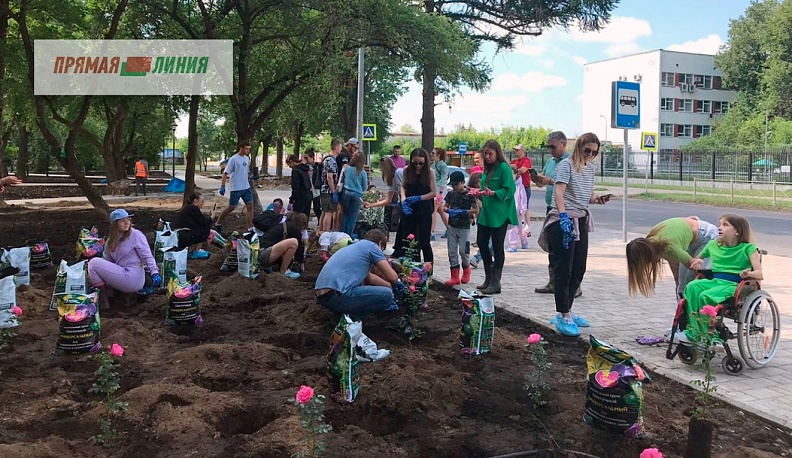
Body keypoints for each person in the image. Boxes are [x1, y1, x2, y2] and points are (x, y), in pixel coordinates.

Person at [537, 133, 611, 336]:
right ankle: (563, 314)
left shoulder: (590, 169)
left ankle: (567, 309)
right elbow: (559, 192)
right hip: (563, 220)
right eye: (587, 150)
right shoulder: (566, 165)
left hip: (580, 219)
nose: (590, 155)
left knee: (579, 267)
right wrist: (562, 217)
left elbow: (588, 195)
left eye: (594, 152)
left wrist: (598, 199)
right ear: (579, 146)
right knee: (564, 269)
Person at [673, 214, 762, 343]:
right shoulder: (713, 245)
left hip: (734, 285)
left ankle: (712, 335)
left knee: (706, 296)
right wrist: (697, 262)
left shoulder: (748, 249)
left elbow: (760, 274)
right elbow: (698, 258)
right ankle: (694, 331)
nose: (719, 227)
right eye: (720, 224)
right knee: (692, 287)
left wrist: (749, 274)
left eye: (725, 225)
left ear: (737, 231)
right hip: (715, 281)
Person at [315, 229, 401, 322]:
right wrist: (399, 287)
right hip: (337, 295)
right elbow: (393, 277)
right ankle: (351, 317)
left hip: (323, 296)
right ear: (380, 243)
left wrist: (390, 287)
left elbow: (370, 278)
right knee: (386, 295)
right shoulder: (372, 247)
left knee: (384, 290)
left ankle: (342, 314)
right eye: (382, 251)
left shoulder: (356, 247)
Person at [626, 216, 719, 299]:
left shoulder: (669, 247)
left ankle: (703, 310)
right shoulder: (651, 243)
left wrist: (702, 274)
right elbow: (674, 262)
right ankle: (683, 313)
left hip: (706, 235)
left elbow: (694, 266)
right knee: (682, 283)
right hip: (691, 238)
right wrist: (677, 281)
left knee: (691, 280)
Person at [88, 209, 161, 309]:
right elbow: (110, 265)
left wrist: (154, 272)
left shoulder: (135, 235)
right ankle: (110, 298)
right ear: (115, 224)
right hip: (122, 274)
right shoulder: (110, 241)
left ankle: (103, 301)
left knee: (93, 263)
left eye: (128, 219)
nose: (127, 223)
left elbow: (147, 256)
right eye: (122, 221)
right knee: (96, 267)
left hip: (133, 276)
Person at [531, 131, 572, 295]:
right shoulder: (550, 162)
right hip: (551, 209)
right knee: (552, 247)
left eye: (553, 146)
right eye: (548, 146)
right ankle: (553, 282)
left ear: (563, 144)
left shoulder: (571, 162)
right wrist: (538, 180)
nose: (550, 150)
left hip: (565, 211)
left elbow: (571, 186)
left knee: (566, 250)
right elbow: (545, 185)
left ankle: (571, 285)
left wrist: (550, 181)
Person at [475, 140, 518, 295]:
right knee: (481, 242)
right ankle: (488, 277)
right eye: (485, 153)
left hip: (500, 213)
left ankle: (496, 282)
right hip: (486, 213)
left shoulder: (504, 168)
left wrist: (494, 193)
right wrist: (477, 192)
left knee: (497, 245)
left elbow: (509, 190)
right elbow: (484, 188)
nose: (487, 156)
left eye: (490, 154)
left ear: (497, 153)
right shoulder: (487, 169)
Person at [393, 148, 436, 263]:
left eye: (421, 163)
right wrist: (403, 200)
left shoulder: (429, 172)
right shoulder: (407, 170)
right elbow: (403, 187)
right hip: (410, 209)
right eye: (415, 163)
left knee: (424, 241)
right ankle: (414, 267)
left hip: (424, 209)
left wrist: (419, 198)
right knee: (411, 240)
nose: (418, 166)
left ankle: (428, 270)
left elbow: (433, 192)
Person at [443, 171, 477, 286]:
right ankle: (454, 276)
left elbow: (476, 210)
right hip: (452, 226)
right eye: (452, 185)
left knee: (463, 251)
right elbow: (445, 207)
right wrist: (449, 210)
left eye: (456, 184)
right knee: (452, 251)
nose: (454, 187)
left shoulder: (469, 195)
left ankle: (466, 268)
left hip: (464, 227)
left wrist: (464, 212)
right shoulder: (451, 194)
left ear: (462, 182)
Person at [216, 142, 254, 233]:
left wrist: (251, 177)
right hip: (236, 187)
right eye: (246, 149)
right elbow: (225, 173)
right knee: (231, 207)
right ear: (241, 148)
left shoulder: (246, 158)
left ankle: (250, 228)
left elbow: (245, 172)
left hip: (246, 187)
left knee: (250, 206)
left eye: (249, 149)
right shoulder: (233, 159)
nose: (248, 151)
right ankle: (218, 223)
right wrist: (223, 185)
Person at [257, 212, 306, 279]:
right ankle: (283, 272)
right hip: (264, 255)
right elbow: (299, 250)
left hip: (259, 253)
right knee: (293, 243)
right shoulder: (294, 229)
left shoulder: (283, 226)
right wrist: (301, 263)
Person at [173, 191, 217, 259]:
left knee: (202, 228)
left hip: (181, 235)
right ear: (195, 201)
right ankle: (196, 251)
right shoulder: (193, 209)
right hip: (184, 236)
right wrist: (212, 217)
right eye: (202, 201)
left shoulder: (189, 208)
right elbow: (204, 222)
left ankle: (193, 250)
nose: (203, 204)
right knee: (204, 229)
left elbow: (200, 220)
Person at [340, 152, 368, 237]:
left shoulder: (347, 168)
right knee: (353, 216)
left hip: (346, 192)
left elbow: (342, 180)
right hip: (357, 194)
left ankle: (342, 234)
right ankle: (349, 235)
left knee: (345, 214)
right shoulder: (362, 172)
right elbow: (364, 186)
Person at [510, 144, 532, 240]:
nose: (515, 152)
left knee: (525, 206)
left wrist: (514, 171)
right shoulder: (514, 161)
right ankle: (517, 225)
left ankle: (527, 226)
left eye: (517, 150)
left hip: (525, 186)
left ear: (522, 150)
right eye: (515, 150)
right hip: (514, 186)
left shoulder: (526, 160)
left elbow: (523, 170)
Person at [319, 139, 342, 232]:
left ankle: (321, 233)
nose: (340, 149)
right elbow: (330, 177)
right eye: (340, 147)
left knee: (324, 212)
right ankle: (326, 234)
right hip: (328, 191)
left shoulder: (326, 159)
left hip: (324, 189)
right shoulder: (331, 160)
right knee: (329, 213)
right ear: (336, 147)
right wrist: (333, 192)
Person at [507, 164, 529, 252]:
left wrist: (523, 208)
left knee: (521, 228)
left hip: (519, 211)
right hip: (511, 211)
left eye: (512, 173)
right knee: (512, 228)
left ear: (516, 174)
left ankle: (524, 240)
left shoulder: (520, 186)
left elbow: (523, 198)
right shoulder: (507, 185)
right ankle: (513, 245)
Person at [431, 148, 450, 240]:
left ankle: (431, 232)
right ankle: (449, 230)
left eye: (433, 153)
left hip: (440, 190)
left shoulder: (442, 165)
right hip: (436, 189)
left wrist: (441, 193)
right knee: (440, 211)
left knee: (433, 210)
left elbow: (444, 179)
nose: (432, 154)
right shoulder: (434, 164)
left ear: (438, 155)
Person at [287, 153, 312, 218]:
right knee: (305, 216)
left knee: (297, 217)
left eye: (289, 165)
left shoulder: (295, 171)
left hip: (300, 196)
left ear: (291, 162)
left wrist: (292, 200)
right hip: (308, 194)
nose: (289, 167)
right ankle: (305, 227)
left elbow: (295, 187)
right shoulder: (304, 169)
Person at [306, 149, 323, 223]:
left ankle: (320, 222)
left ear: (312, 158)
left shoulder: (317, 166)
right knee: (306, 208)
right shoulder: (304, 167)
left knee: (317, 208)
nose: (307, 160)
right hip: (308, 189)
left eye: (308, 158)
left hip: (315, 189)